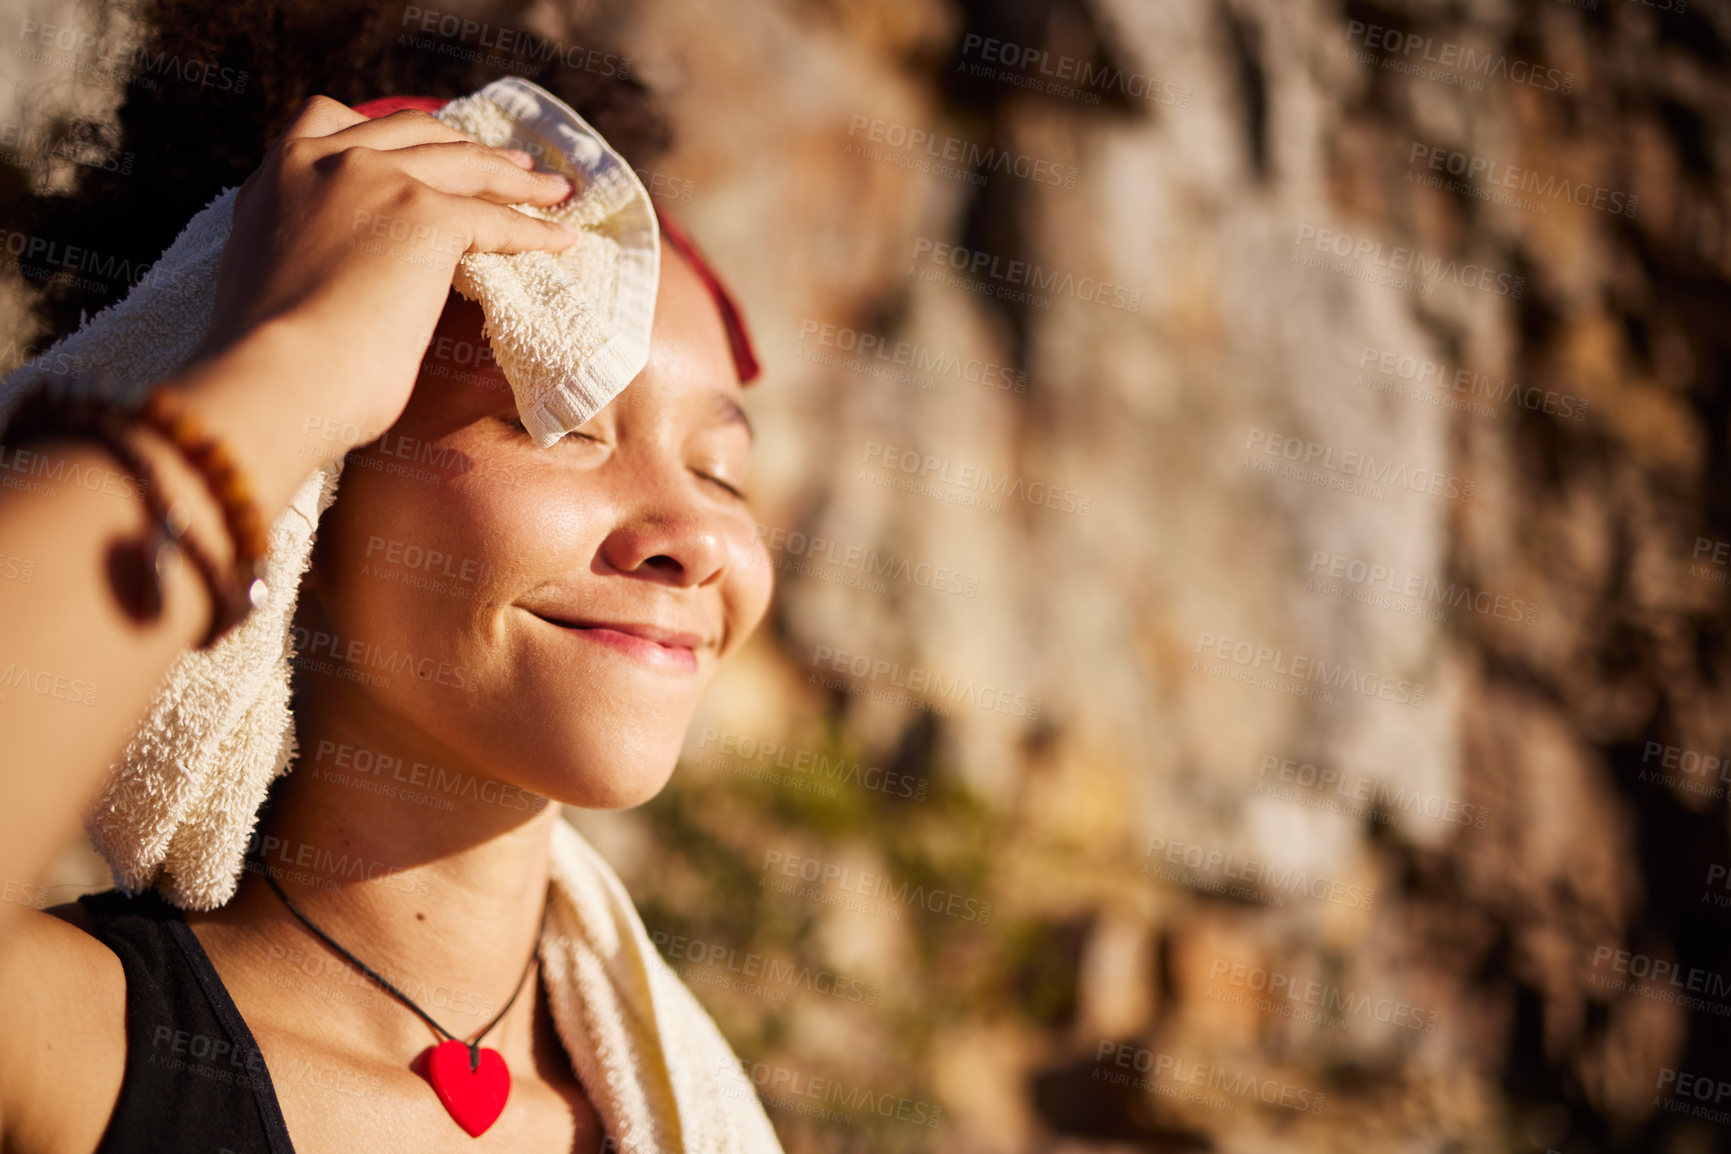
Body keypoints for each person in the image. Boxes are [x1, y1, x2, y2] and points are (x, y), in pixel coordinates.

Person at [0, 91, 774, 1151]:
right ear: (310, 496)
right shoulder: (78, 1053)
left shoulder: (686, 1107)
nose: (697, 534)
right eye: (557, 422)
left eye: (721, 471)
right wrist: (295, 354)